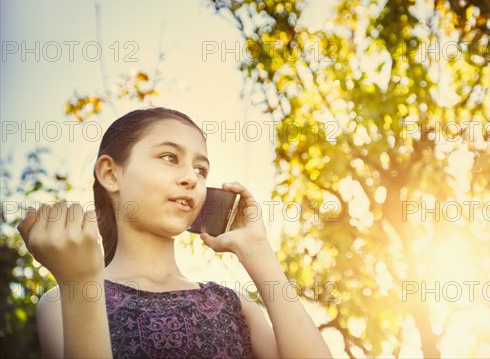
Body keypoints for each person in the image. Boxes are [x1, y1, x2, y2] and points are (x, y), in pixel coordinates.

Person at [17, 107, 333, 358]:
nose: (191, 178)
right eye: (170, 157)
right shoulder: (63, 299)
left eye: (201, 169)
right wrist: (80, 282)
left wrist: (257, 250)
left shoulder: (233, 306)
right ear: (111, 174)